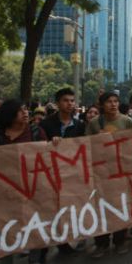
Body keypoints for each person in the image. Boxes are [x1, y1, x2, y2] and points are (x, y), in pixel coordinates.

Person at [0, 100, 52, 264]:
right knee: (5, 226)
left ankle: (35, 262)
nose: (25, 113)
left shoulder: (36, 132)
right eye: (20, 111)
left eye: (25, 110)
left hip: (33, 187)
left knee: (36, 223)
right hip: (3, 189)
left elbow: (46, 154)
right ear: (8, 115)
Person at [86, 91, 132, 258]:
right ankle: (101, 243)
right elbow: (85, 146)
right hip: (100, 173)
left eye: (115, 101)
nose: (113, 104)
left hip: (120, 171)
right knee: (100, 208)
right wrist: (97, 139)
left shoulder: (127, 121)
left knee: (120, 205)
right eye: (109, 102)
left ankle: (120, 241)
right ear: (101, 105)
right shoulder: (94, 123)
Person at [39, 88, 86, 254]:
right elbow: (38, 147)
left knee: (72, 207)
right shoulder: (45, 124)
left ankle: (73, 238)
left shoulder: (80, 125)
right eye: (66, 100)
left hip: (72, 174)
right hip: (50, 174)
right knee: (54, 210)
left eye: (72, 101)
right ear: (58, 103)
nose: (70, 104)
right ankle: (58, 244)